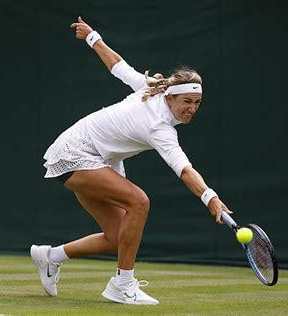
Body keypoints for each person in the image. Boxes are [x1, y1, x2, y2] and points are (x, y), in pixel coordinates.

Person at [30, 16, 232, 305]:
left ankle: (50, 256)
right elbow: (185, 170)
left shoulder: (153, 88)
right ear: (172, 98)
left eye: (196, 103)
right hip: (76, 152)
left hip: (101, 159)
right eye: (186, 102)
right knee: (139, 201)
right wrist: (210, 197)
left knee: (117, 236)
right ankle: (122, 284)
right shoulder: (159, 126)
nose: (191, 109)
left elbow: (118, 66)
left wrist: (92, 37)